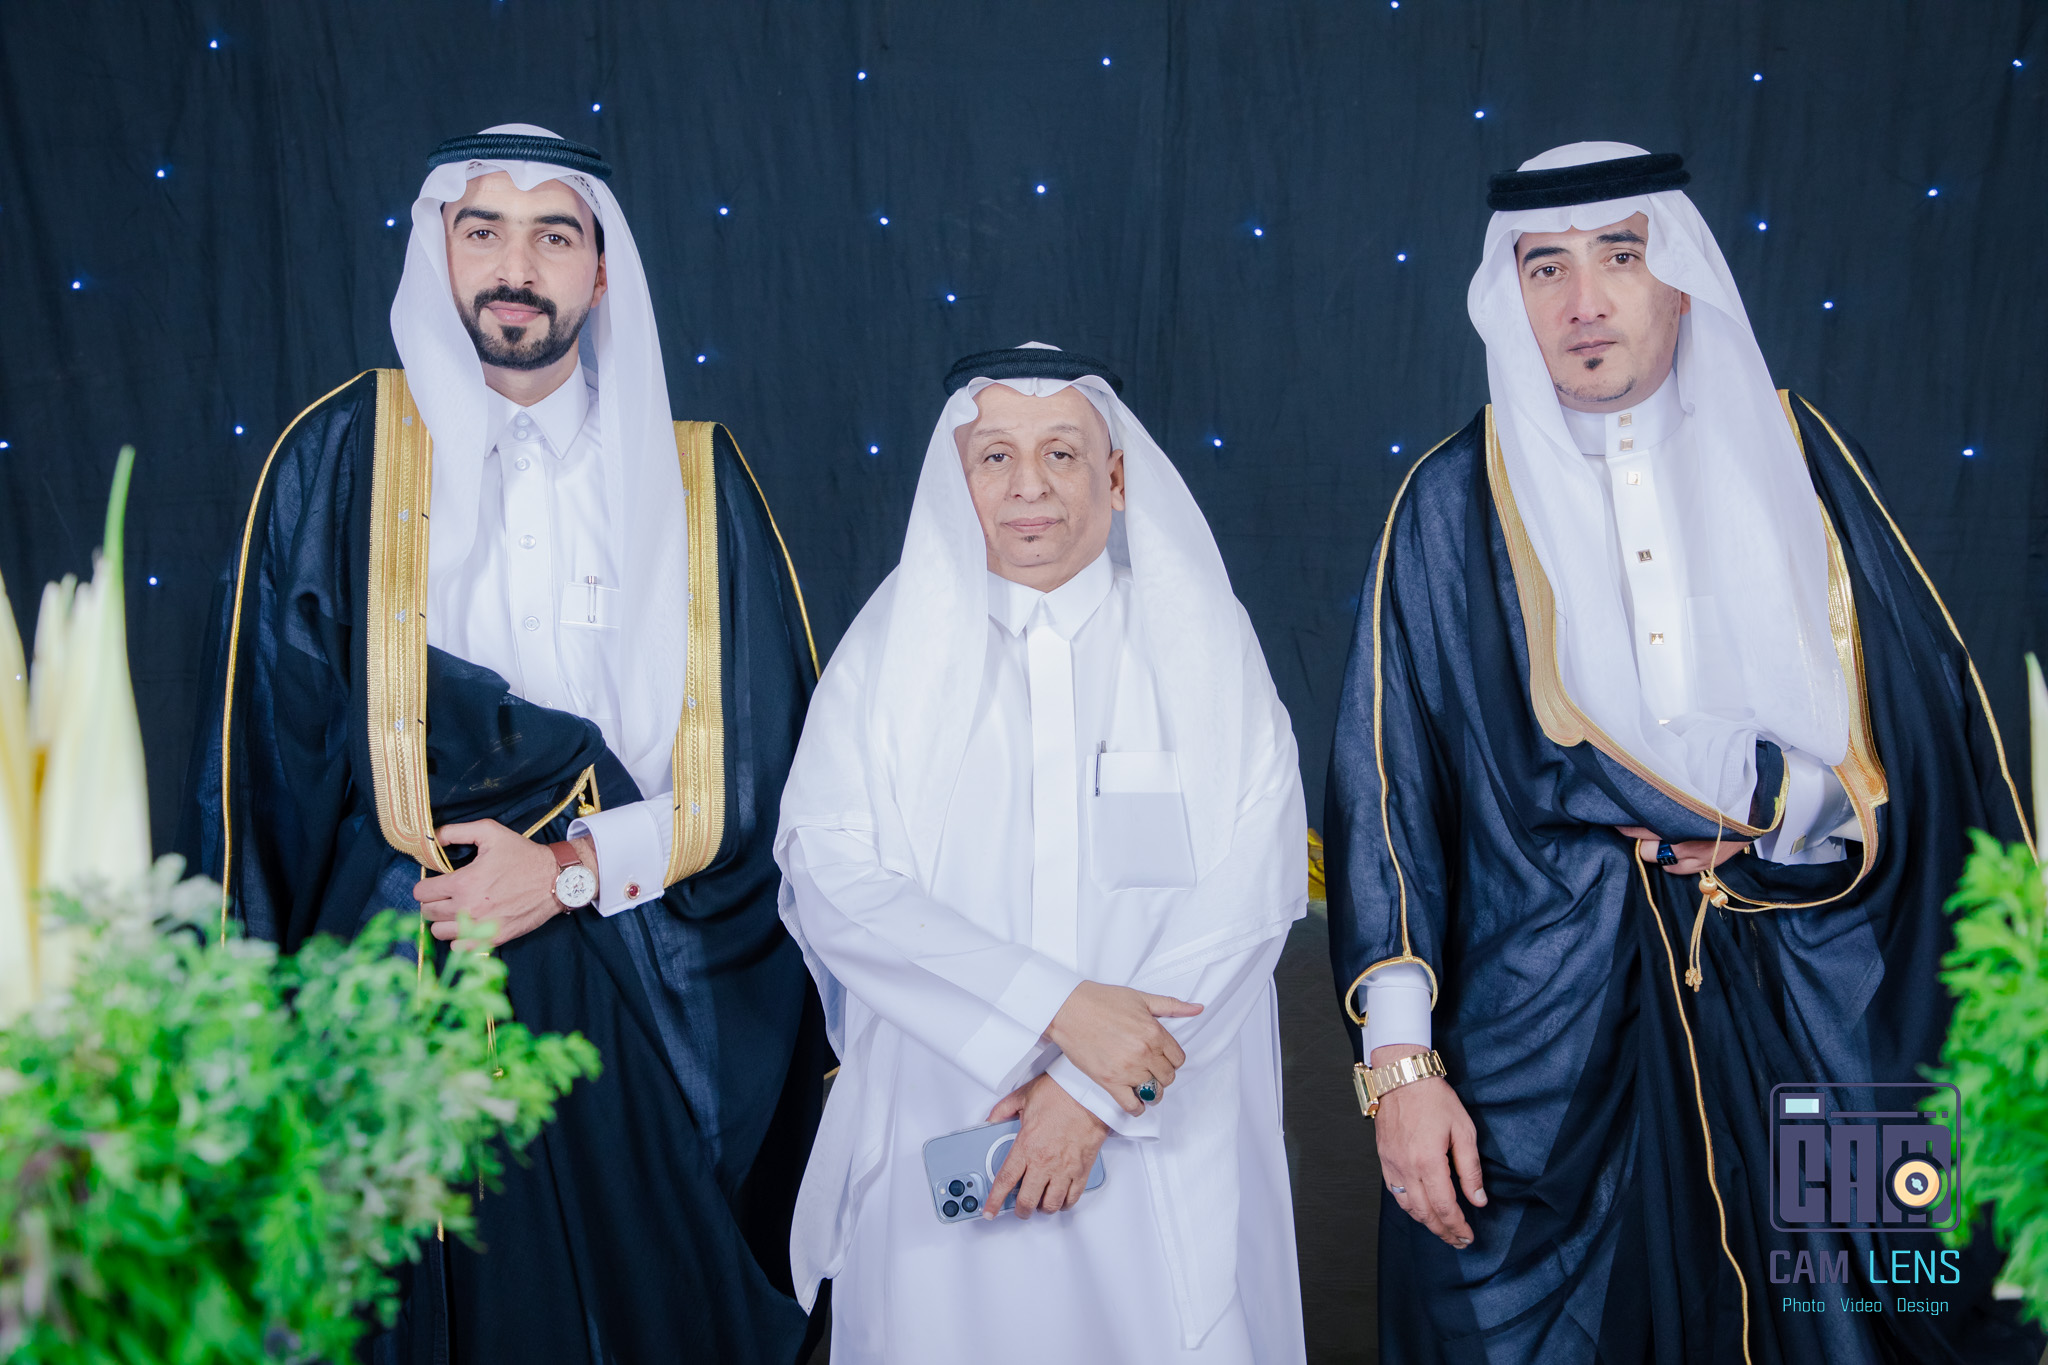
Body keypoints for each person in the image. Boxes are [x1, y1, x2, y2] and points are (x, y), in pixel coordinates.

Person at [1324, 143, 2045, 1364]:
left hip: (1818, 999)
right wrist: (1398, 1072)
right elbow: (1386, 803)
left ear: (1679, 280)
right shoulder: (1448, 505)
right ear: (1508, 296)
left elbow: (1929, 742)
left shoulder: (1799, 463)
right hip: (1546, 1037)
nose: (1583, 301)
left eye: (1619, 256)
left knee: (1861, 1320)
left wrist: (1781, 802)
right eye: (1544, 268)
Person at [180, 125, 830, 1364]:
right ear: (439, 252)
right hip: (393, 963)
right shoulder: (338, 458)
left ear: (602, 269)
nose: (515, 268)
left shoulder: (697, 480)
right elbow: (257, 774)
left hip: (637, 969)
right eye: (482, 232)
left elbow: (764, 776)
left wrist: (571, 870)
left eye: (552, 236)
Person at [775, 344, 1308, 1364]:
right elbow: (830, 875)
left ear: (1116, 476)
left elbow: (1255, 881)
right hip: (947, 1100)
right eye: (995, 457)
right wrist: (1053, 1009)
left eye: (1062, 453)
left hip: (1161, 1119)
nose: (1029, 487)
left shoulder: (1199, 636)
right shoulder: (888, 647)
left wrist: (1095, 1091)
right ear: (958, 481)